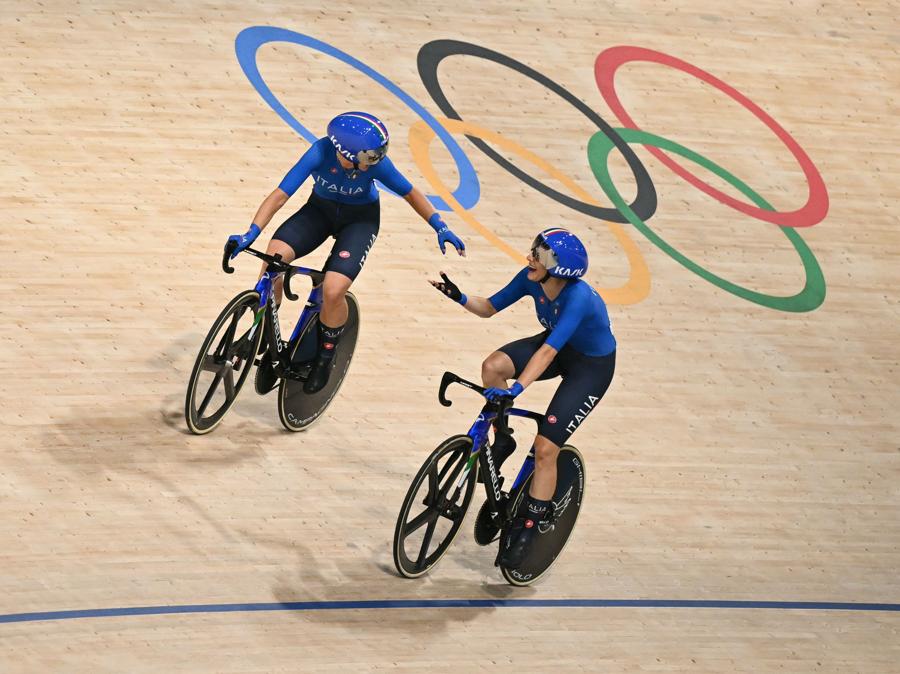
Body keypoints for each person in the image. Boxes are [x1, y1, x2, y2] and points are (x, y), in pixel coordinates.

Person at [225, 112, 466, 394]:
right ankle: (264, 332)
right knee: (273, 261)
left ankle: (325, 356)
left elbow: (410, 193)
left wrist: (440, 226)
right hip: (319, 213)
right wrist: (251, 232)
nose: (367, 166)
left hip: (359, 222)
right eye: (363, 160)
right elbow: (280, 195)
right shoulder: (319, 152)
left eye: (371, 160)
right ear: (341, 151)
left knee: (333, 290)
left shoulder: (374, 164)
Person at [430, 228, 616, 567]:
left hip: (590, 368)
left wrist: (517, 390)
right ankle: (502, 440)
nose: (530, 258)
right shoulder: (532, 279)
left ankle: (529, 529)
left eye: (540, 256)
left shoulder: (579, 298)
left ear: (561, 269)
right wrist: (460, 297)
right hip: (559, 349)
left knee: (546, 448)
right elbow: (488, 308)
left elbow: (546, 352)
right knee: (493, 367)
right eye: (534, 250)